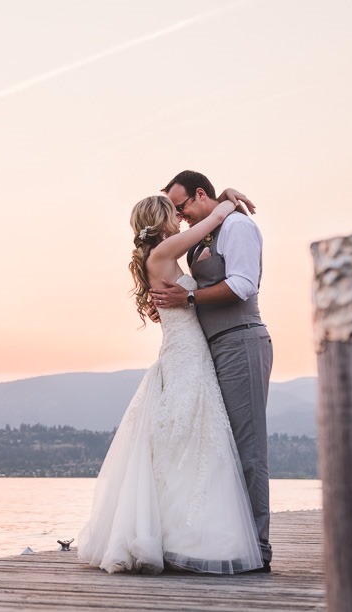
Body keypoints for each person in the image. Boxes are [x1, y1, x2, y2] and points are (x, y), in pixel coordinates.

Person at [77, 193, 263, 575]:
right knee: (187, 437)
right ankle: (181, 538)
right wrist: (225, 200)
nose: (180, 218)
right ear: (162, 221)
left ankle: (177, 534)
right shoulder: (163, 251)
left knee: (185, 439)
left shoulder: (162, 257)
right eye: (174, 214)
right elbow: (208, 225)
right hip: (186, 352)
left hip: (187, 349)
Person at [151, 170, 273, 572]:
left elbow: (242, 284)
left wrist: (187, 296)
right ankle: (223, 540)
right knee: (222, 447)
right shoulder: (203, 234)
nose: (180, 215)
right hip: (210, 351)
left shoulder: (237, 224)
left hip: (240, 339)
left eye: (182, 206)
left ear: (200, 194)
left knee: (248, 447)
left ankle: (258, 548)